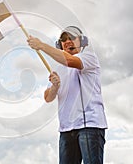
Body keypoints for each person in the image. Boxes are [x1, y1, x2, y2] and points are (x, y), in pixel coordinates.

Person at [27, 26, 108, 164]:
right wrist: (55, 86)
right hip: (66, 129)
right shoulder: (57, 67)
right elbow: (48, 97)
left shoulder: (89, 57)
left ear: (81, 41)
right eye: (64, 39)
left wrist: (41, 46)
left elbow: (70, 61)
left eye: (72, 38)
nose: (68, 41)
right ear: (60, 44)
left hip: (89, 125)